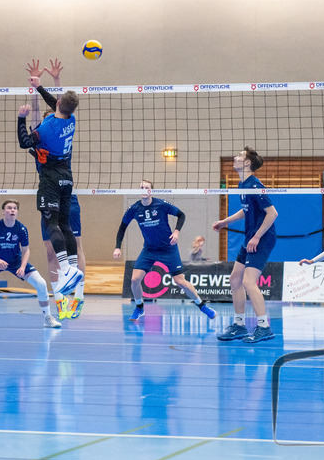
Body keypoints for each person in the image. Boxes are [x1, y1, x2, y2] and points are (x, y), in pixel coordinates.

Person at [27, 58, 86, 320]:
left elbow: (46, 111)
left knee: (73, 243)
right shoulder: (66, 120)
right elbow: (55, 105)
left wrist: (39, 86)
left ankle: (79, 296)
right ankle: (62, 300)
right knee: (52, 248)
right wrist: (50, 82)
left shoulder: (48, 130)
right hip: (60, 185)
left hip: (60, 192)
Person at [114, 179, 217, 323]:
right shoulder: (134, 209)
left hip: (168, 248)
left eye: (147, 187)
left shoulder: (161, 204)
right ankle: (139, 307)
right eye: (141, 187)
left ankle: (202, 306)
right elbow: (122, 227)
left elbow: (181, 215)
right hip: (149, 249)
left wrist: (176, 232)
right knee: (134, 279)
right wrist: (118, 246)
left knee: (180, 281)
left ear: (151, 191)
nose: (144, 189)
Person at [0, 198, 61, 329]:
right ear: (3, 211)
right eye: (9, 208)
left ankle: (48, 318)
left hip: (16, 261)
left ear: (17, 212)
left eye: (15, 208)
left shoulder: (21, 229)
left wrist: (23, 266)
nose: (12, 210)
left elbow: (26, 250)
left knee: (41, 283)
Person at [212, 146, 278, 344]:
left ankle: (264, 327)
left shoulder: (255, 186)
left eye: (240, 156)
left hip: (261, 238)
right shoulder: (243, 185)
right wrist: (225, 221)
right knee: (235, 279)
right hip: (250, 237)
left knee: (249, 282)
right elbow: (246, 211)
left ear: (247, 162)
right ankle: (239, 325)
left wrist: (257, 237)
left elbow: (272, 213)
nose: (235, 157)